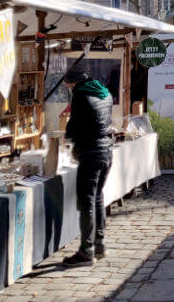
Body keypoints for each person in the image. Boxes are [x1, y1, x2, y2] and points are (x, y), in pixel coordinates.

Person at [62, 67, 114, 267]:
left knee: (87, 201)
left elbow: (73, 127)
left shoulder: (80, 95)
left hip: (91, 153)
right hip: (107, 151)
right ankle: (100, 245)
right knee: (98, 197)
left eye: (68, 86)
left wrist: (68, 137)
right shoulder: (105, 93)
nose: (69, 89)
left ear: (73, 83)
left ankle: (86, 251)